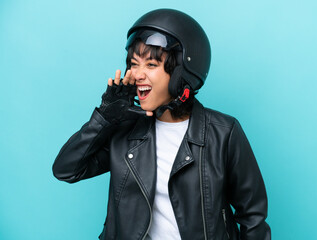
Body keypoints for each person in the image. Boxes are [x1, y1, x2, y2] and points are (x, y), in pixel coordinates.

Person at [52, 8, 271, 240]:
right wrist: (103, 118)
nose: (137, 74)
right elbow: (66, 169)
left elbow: (252, 216)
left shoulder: (223, 132)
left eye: (151, 65)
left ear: (182, 75)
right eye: (134, 64)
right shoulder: (125, 130)